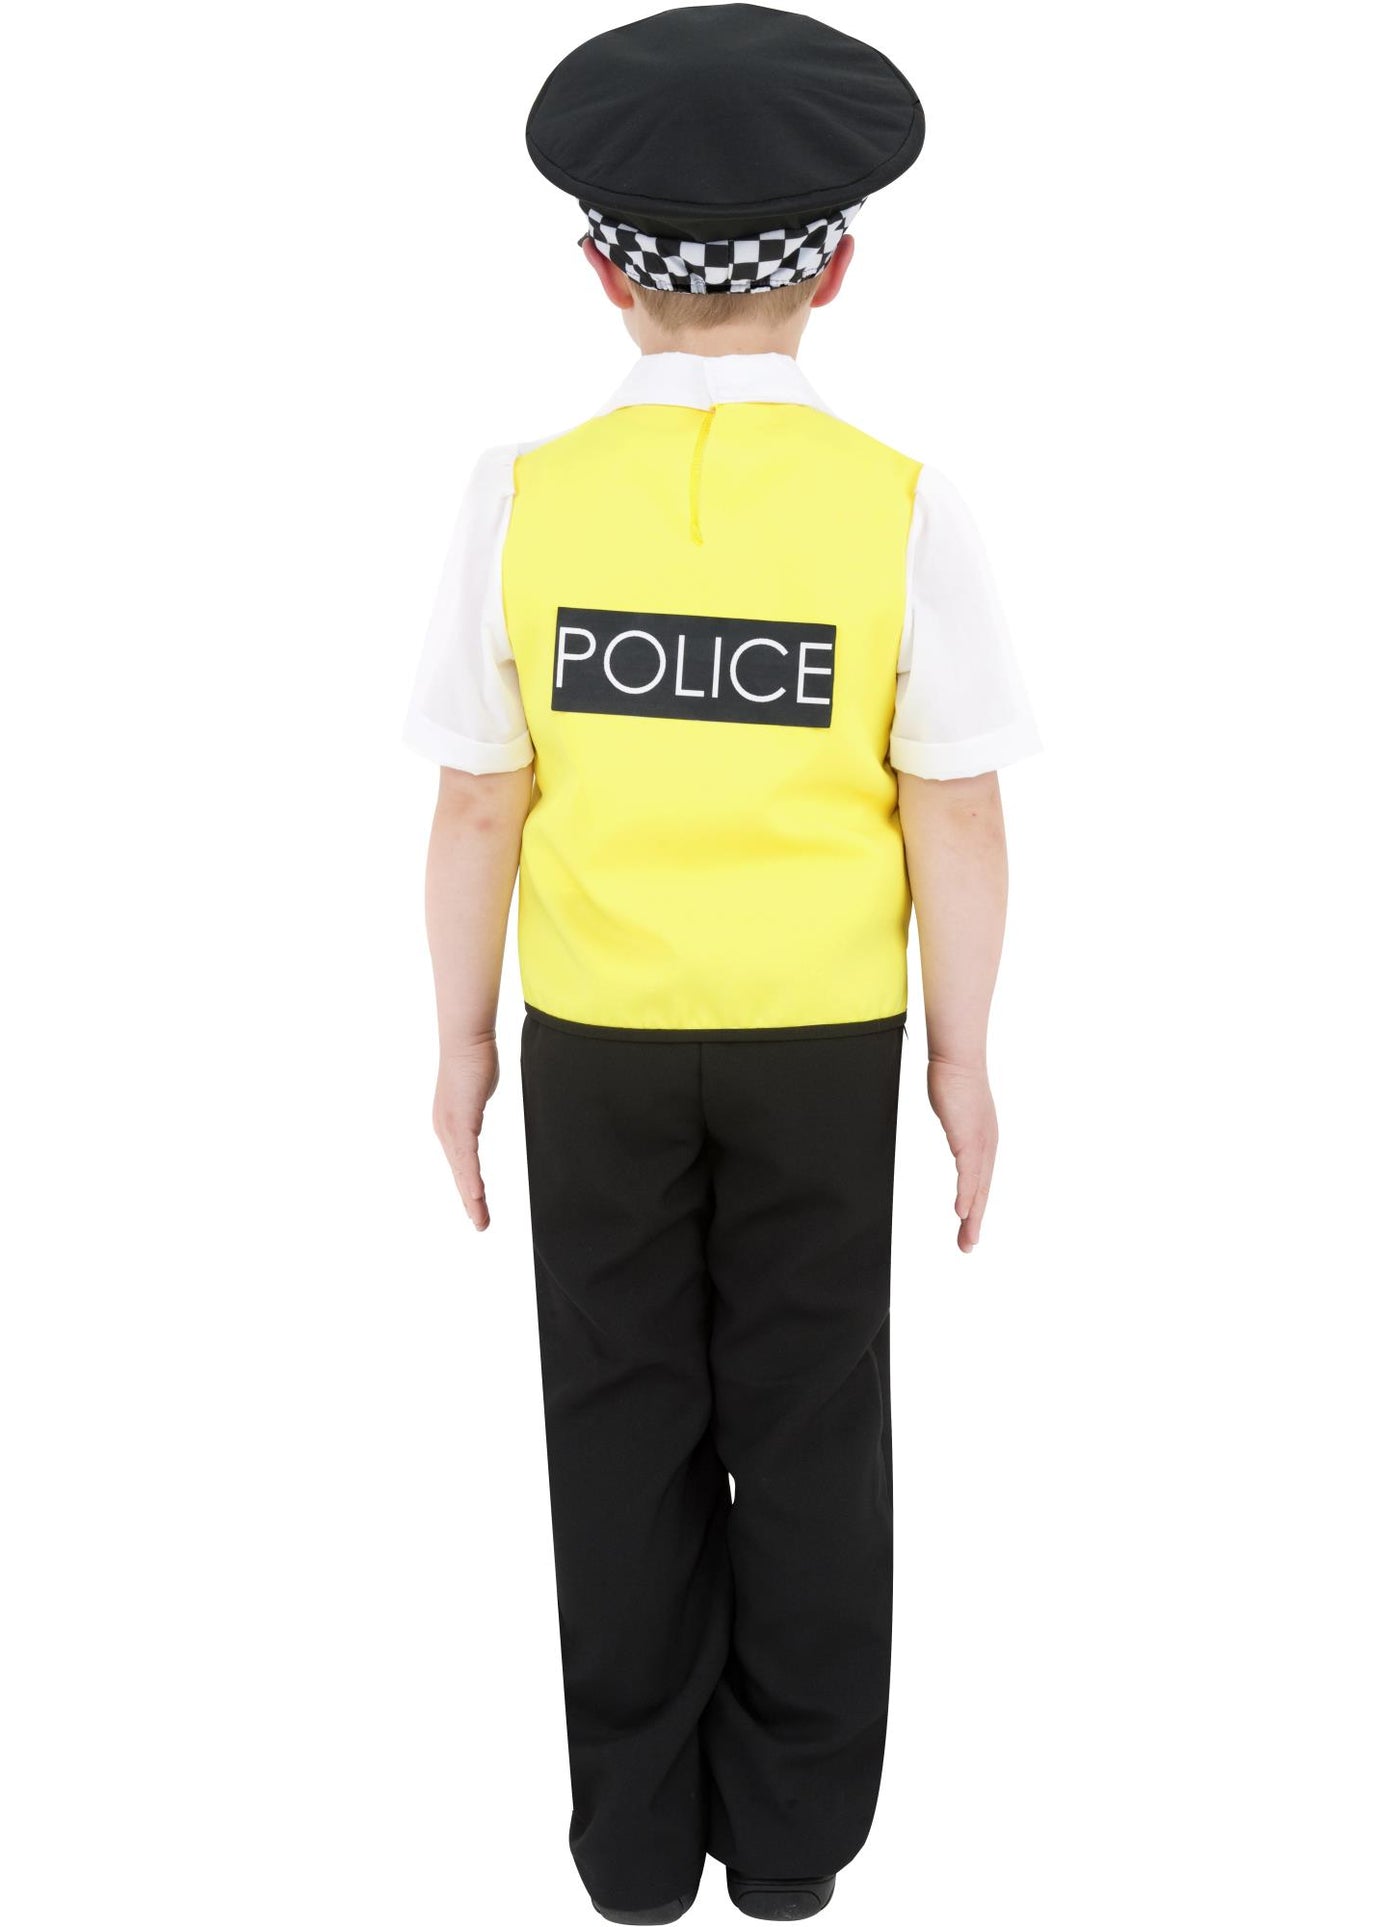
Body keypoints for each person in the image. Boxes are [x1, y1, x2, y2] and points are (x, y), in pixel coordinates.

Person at [403, 8, 1041, 1921]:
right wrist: (961, 1057)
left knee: (615, 1423)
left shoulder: (520, 495)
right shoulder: (899, 504)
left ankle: (628, 1848)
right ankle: (790, 1843)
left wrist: (461, 1043)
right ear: (834, 266)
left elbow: (478, 804)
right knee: (812, 1417)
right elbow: (953, 810)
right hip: (818, 1038)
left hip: (597, 1035)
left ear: (599, 268)